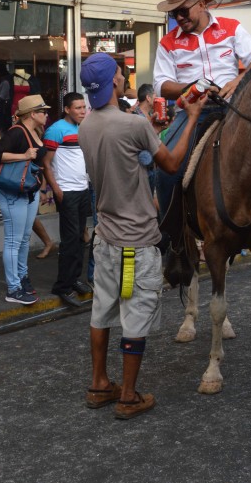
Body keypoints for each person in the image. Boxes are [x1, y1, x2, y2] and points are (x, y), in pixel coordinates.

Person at [78, 52, 206, 419]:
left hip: (105, 239)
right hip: (135, 244)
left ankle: (100, 383)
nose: (123, 77)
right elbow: (170, 163)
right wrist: (193, 116)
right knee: (134, 315)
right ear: (115, 83)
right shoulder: (133, 125)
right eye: (120, 74)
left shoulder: (86, 125)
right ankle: (129, 395)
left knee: (101, 311)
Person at [151, 0, 251, 217]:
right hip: (192, 112)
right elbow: (161, 84)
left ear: (202, 4)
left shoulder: (231, 27)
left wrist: (238, 82)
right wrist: (192, 87)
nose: (179, 18)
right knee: (165, 171)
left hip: (235, 108)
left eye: (183, 11)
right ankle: (172, 233)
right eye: (175, 14)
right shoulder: (168, 42)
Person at [0, 94, 51, 305]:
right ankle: (13, 288)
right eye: (43, 111)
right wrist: (24, 156)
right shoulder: (16, 132)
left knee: (24, 238)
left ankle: (22, 278)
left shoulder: (35, 131)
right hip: (13, 193)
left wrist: (42, 188)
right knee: (13, 241)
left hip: (29, 191)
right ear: (32, 114)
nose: (46, 114)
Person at [42, 92, 93, 307]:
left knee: (81, 238)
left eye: (84, 107)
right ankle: (62, 286)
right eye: (78, 108)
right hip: (67, 191)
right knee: (70, 239)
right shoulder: (55, 130)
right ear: (67, 109)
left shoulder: (83, 128)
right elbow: (46, 163)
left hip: (82, 189)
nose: (82, 111)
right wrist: (55, 189)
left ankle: (74, 280)